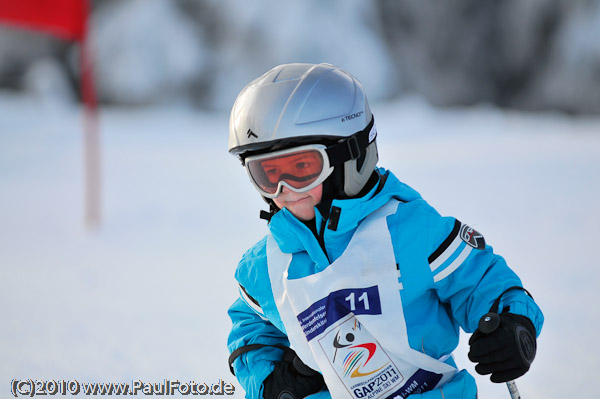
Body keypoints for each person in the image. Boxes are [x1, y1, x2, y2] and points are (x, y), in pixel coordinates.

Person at [226, 63, 543, 399]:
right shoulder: (267, 264)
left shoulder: (409, 230)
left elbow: (483, 281)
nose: (285, 189)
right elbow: (251, 326)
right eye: (267, 174)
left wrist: (512, 326)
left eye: (302, 169)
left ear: (350, 157)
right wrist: (270, 380)